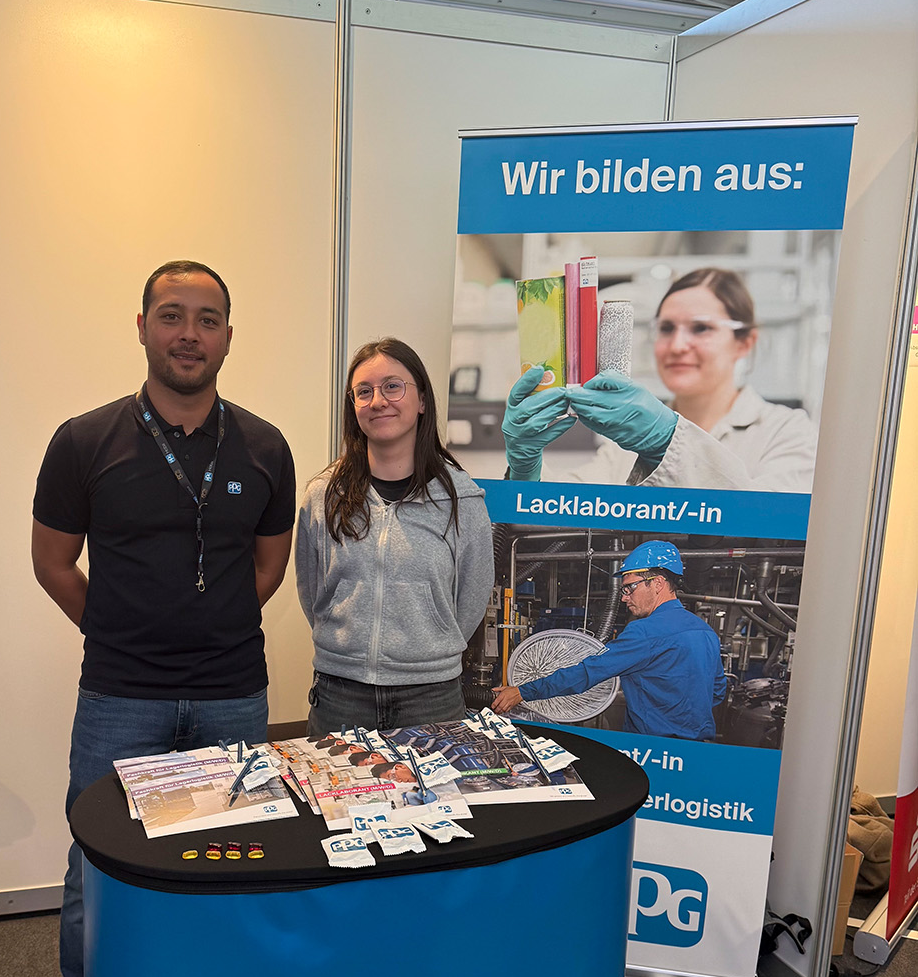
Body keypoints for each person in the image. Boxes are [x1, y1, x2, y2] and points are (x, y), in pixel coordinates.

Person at [32, 260, 295, 977]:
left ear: (228, 336)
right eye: (172, 315)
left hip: (232, 695)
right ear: (142, 326)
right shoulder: (84, 441)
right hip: (119, 698)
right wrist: (119, 633)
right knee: (96, 878)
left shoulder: (265, 447)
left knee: (234, 865)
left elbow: (266, 567)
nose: (189, 333)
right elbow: (52, 562)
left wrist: (207, 627)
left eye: (207, 318)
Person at [295, 337, 494, 734]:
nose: (378, 401)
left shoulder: (462, 499)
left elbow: (472, 596)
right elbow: (312, 589)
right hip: (340, 694)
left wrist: (426, 650)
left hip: (431, 697)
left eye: (392, 386)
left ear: (422, 400)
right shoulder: (323, 495)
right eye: (363, 391)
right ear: (353, 406)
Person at [503, 268, 817, 492]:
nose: (677, 346)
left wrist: (667, 443)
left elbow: (768, 526)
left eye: (701, 328)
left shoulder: (788, 432)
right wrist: (526, 473)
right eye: (666, 329)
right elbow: (564, 518)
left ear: (744, 343)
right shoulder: (626, 442)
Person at [492, 541, 726, 741]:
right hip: (698, 751)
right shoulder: (706, 632)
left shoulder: (645, 631)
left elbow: (588, 672)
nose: (624, 598)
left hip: (653, 749)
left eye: (629, 588)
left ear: (657, 583)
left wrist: (522, 692)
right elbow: (717, 692)